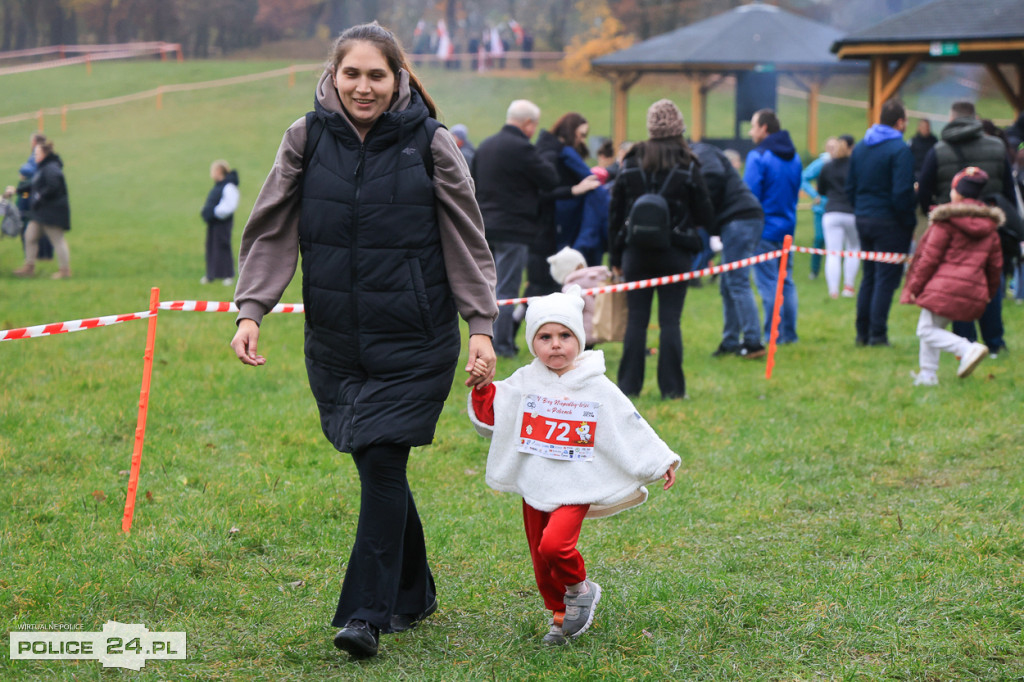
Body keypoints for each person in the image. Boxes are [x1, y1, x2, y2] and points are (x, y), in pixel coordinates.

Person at [229, 22, 498, 660]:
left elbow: (467, 238)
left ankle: (364, 615)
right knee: (375, 462)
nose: (363, 87)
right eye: (352, 73)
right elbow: (272, 229)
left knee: (382, 461)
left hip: (415, 337)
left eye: (377, 75)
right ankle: (415, 589)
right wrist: (251, 310)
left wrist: (480, 328)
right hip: (337, 341)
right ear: (333, 75)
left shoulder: (431, 143)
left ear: (398, 78)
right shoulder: (306, 137)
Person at [466, 287, 680, 645]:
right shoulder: (525, 381)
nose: (556, 344)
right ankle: (561, 615)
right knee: (539, 557)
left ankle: (581, 588)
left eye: (565, 335)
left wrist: (660, 460)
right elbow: (493, 416)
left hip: (577, 483)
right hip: (536, 482)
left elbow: (628, 422)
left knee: (555, 546)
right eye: (545, 337)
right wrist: (483, 388)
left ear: (579, 338)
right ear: (533, 342)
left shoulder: (595, 383)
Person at [609, 99, 715, 399]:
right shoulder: (688, 162)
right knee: (670, 321)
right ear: (678, 127)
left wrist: (615, 255)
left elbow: (615, 213)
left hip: (635, 252)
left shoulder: (630, 159)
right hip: (676, 251)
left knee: (636, 320)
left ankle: (628, 387)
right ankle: (672, 389)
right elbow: (705, 214)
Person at [473, 101, 597, 357]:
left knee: (490, 288)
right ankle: (503, 344)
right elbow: (550, 179)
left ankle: (486, 338)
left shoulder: (484, 146)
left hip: (484, 228)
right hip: (514, 230)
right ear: (528, 124)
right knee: (507, 289)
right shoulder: (523, 149)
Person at [917, 100, 1016, 357]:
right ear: (974, 118)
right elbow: (1008, 189)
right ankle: (994, 342)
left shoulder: (939, 150)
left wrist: (934, 210)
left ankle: (965, 342)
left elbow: (924, 189)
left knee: (958, 281)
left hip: (954, 224)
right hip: (989, 224)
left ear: (952, 117)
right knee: (992, 280)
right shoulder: (996, 147)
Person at [900, 167, 1002, 385]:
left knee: (926, 330)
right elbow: (995, 266)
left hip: (943, 286)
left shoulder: (946, 220)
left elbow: (928, 258)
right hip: (972, 287)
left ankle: (967, 349)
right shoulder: (990, 226)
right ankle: (928, 375)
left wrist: (913, 287)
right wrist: (990, 293)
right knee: (931, 326)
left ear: (958, 192)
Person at [846, 99, 916, 347]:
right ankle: (878, 334)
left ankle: (862, 333)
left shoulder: (862, 147)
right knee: (886, 279)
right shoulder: (900, 150)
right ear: (899, 122)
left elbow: (850, 187)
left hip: (863, 218)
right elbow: (902, 193)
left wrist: (861, 210)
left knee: (869, 277)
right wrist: (908, 221)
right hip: (890, 222)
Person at [691, 140, 766, 358]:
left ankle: (753, 343)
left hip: (739, 219)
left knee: (737, 281)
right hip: (740, 219)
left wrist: (703, 209)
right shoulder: (699, 153)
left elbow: (712, 176)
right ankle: (731, 340)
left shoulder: (701, 150)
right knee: (728, 283)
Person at [744, 108, 802, 344]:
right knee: (785, 282)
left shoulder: (758, 157)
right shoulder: (795, 157)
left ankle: (773, 336)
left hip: (764, 229)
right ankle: (789, 334)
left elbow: (749, 196)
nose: (750, 132)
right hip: (787, 227)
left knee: (768, 284)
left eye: (753, 126)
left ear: (764, 128)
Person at [13, 140, 71, 279]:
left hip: (52, 213)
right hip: (40, 213)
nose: (35, 156)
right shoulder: (43, 167)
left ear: (44, 153)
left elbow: (53, 186)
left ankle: (64, 272)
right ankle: (29, 267)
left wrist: (39, 197)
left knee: (58, 241)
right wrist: (17, 190)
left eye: (37, 153)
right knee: (30, 236)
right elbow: (34, 185)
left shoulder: (51, 168)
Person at [817, 134, 860, 299]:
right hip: (851, 212)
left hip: (832, 212)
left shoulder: (827, 166)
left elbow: (821, 190)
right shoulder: (856, 167)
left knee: (833, 253)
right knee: (853, 249)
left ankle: (833, 291)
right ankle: (848, 287)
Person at [546, 245, 611, 347]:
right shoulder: (594, 279)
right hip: (595, 328)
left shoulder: (570, 288)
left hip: (579, 332)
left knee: (577, 360)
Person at [800, 137, 836, 280]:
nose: (833, 150)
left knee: (836, 242)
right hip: (822, 208)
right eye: (830, 147)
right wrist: (814, 195)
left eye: (836, 147)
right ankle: (814, 271)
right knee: (819, 239)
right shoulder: (821, 163)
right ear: (826, 148)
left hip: (837, 207)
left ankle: (834, 273)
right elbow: (804, 178)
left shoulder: (844, 164)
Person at [200, 160, 239, 286]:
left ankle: (228, 275)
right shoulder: (219, 185)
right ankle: (211, 274)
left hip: (223, 222)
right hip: (214, 223)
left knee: (223, 245)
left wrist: (213, 212)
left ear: (219, 171)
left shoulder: (229, 186)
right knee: (211, 246)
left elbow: (229, 206)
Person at [15, 132, 53, 262]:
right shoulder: (48, 159)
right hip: (40, 200)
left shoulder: (37, 158)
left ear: (35, 143)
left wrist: (22, 172)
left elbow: (29, 170)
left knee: (30, 229)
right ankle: (44, 257)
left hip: (31, 199)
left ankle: (35, 259)